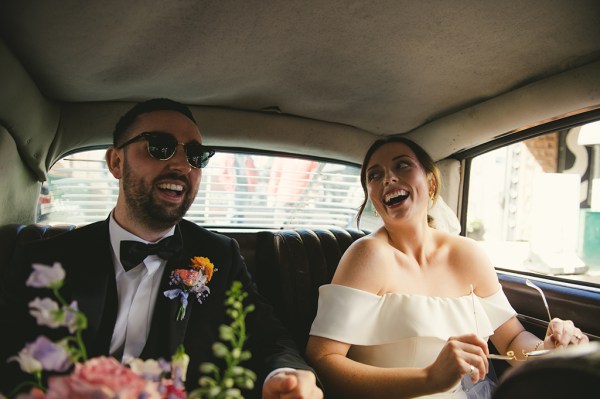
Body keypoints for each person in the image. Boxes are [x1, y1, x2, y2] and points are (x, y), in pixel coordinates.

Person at [0, 98, 323, 399]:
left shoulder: (219, 255)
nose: (182, 165)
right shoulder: (44, 259)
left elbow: (267, 334)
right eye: (160, 147)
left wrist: (286, 374)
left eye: (196, 155)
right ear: (116, 161)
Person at [304, 136, 589, 399]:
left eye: (402, 165)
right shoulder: (367, 256)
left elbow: (513, 338)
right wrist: (429, 378)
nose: (388, 178)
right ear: (372, 198)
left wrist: (548, 349)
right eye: (374, 175)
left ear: (430, 184)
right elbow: (323, 360)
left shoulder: (468, 254)